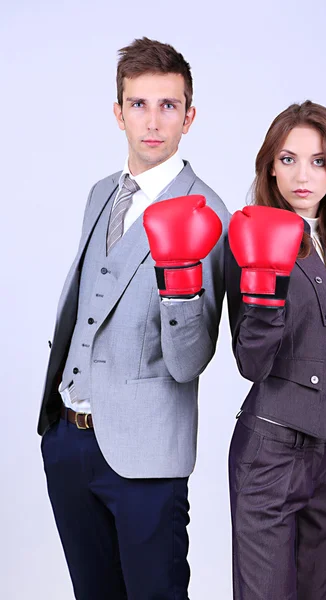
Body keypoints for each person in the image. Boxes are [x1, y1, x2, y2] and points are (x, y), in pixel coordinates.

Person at [38, 37, 229, 600]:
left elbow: (192, 360)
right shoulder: (101, 193)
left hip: (147, 457)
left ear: (189, 116)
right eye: (138, 104)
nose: (153, 120)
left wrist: (179, 285)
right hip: (69, 443)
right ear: (118, 112)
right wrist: (54, 425)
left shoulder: (209, 212)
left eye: (168, 105)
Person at [226, 100, 326, 600]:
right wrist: (267, 290)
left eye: (318, 161)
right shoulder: (248, 234)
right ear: (271, 164)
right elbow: (251, 363)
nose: (303, 175)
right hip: (270, 456)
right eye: (289, 159)